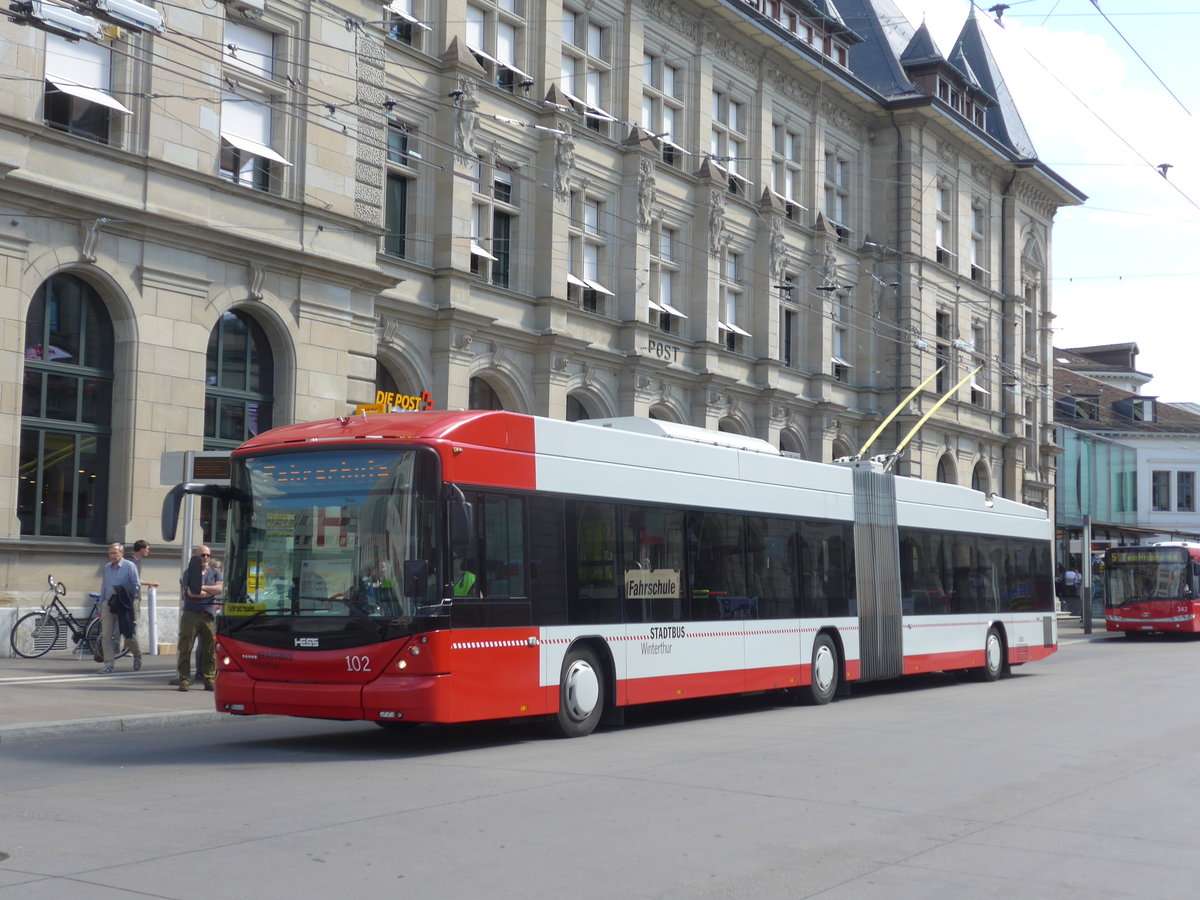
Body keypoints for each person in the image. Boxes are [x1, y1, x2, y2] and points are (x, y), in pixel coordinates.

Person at [176, 545, 223, 692]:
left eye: (208, 555)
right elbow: (192, 593)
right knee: (186, 648)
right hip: (191, 615)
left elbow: (220, 589)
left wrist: (202, 587)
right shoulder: (189, 573)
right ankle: (184, 679)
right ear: (196, 556)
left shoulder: (215, 572)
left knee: (210, 650)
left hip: (208, 615)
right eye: (202, 555)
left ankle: (209, 679)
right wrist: (210, 590)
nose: (206, 558)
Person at [98, 542, 142, 674]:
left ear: (121, 553)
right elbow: (103, 587)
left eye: (115, 553)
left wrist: (121, 590)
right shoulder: (107, 568)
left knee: (128, 633)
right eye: (110, 553)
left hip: (123, 604)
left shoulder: (129, 566)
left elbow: (136, 586)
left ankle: (137, 654)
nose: (112, 556)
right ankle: (109, 664)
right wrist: (100, 606)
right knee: (106, 635)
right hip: (108, 603)